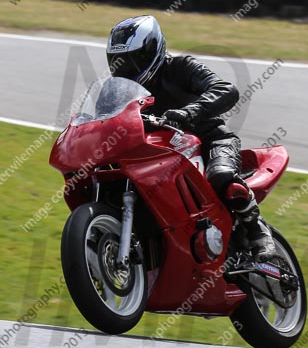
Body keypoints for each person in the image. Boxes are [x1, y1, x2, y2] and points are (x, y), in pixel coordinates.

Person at [106, 15, 276, 271]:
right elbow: (101, 118)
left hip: (209, 141)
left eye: (134, 61)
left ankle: (257, 231)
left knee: (221, 176)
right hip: (156, 151)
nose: (126, 71)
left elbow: (225, 89)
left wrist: (190, 112)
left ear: (154, 50)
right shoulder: (115, 90)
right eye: (120, 63)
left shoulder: (180, 67)